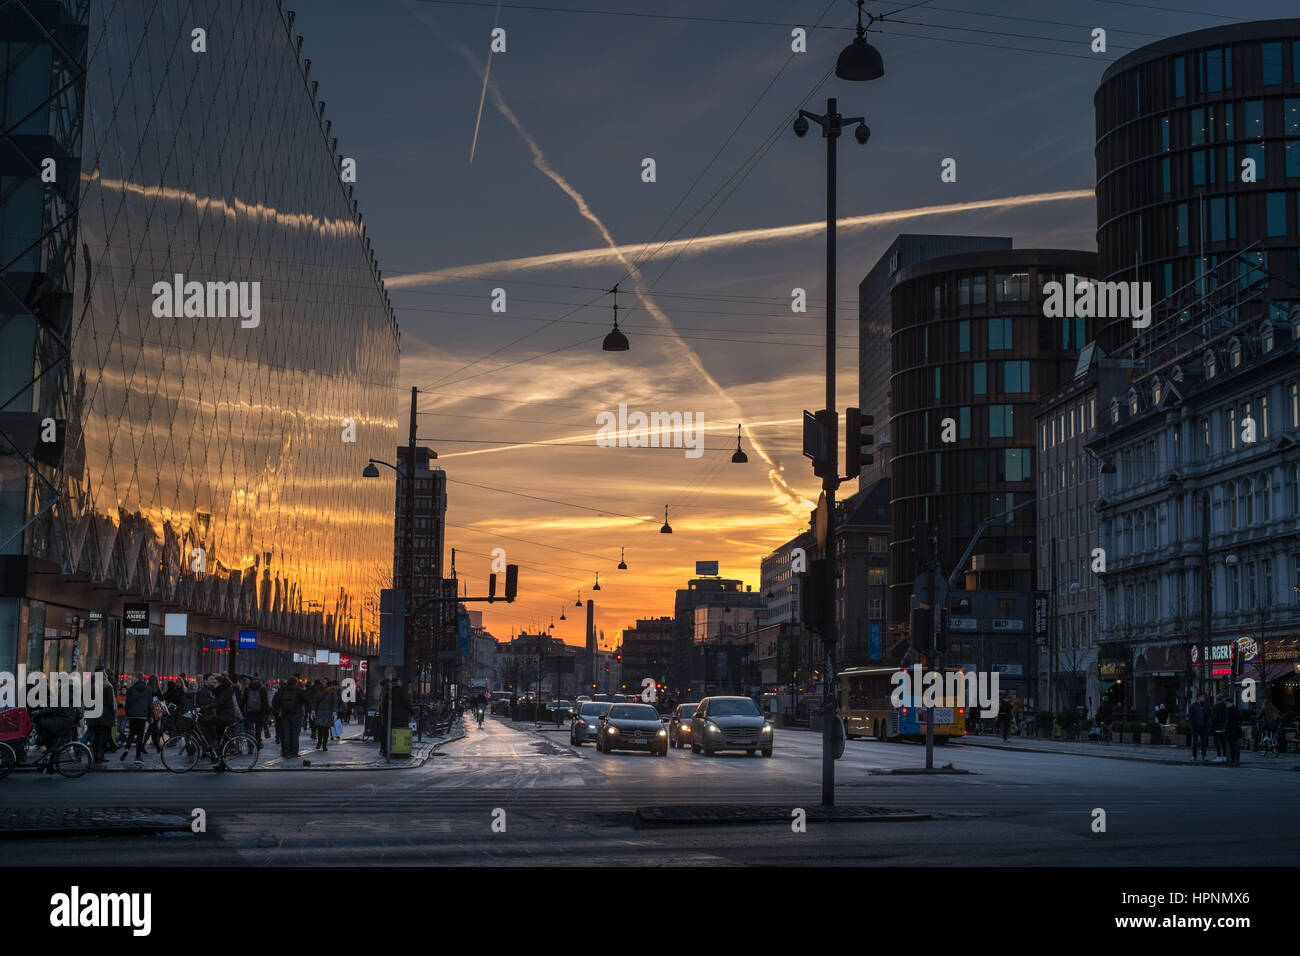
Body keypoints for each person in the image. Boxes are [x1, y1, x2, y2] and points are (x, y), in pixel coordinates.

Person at [88, 665, 117, 762]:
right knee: (103, 736)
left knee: (97, 736)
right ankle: (101, 755)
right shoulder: (107, 686)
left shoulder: (93, 686)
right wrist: (113, 713)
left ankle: (96, 755)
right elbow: (110, 703)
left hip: (95, 715)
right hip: (105, 716)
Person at [121, 673, 151, 764]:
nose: (132, 679)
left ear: (137, 678)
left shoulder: (131, 689)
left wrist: (128, 713)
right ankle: (138, 756)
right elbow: (149, 704)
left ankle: (127, 748)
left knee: (131, 733)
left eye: (133, 677)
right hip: (142, 716)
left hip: (133, 715)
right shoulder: (147, 690)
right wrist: (150, 716)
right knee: (140, 736)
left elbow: (128, 703)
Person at [273, 676, 307, 758]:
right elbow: (307, 699)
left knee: (286, 733)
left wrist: (278, 710)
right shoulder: (299, 690)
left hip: (285, 715)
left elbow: (275, 701)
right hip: (296, 715)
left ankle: (286, 752)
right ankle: (294, 752)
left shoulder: (282, 690)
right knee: (295, 734)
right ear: (296, 683)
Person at [380, 677, 412, 757]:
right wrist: (412, 712)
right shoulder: (401, 692)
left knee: (389, 734)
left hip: (389, 718)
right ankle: (399, 750)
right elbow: (406, 703)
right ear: (398, 683)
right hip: (401, 717)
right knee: (399, 733)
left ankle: (388, 750)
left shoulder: (389, 693)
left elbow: (384, 705)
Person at [242, 675, 268, 750]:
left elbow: (243, 701)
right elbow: (265, 702)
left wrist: (243, 711)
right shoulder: (262, 689)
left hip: (249, 712)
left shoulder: (247, 689)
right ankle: (258, 744)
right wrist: (266, 713)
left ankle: (250, 745)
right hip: (260, 714)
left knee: (250, 730)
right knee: (258, 730)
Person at [313, 681, 339, 751]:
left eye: (324, 683)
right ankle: (319, 742)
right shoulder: (318, 691)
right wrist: (313, 710)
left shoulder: (332, 692)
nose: (322, 684)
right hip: (320, 712)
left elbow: (335, 702)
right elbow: (314, 701)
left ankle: (324, 744)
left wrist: (335, 712)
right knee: (320, 729)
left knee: (326, 729)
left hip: (327, 712)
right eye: (322, 683)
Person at [1188, 692, 1209, 762]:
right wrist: (1193, 725)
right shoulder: (1192, 706)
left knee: (1204, 742)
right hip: (1196, 726)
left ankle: (1204, 755)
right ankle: (1194, 756)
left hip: (1203, 726)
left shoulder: (1204, 706)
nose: (1204, 699)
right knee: (1195, 742)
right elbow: (1191, 717)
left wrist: (1206, 724)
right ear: (1199, 697)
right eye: (1203, 697)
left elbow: (1207, 716)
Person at [1211, 694, 1228, 762]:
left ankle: (1219, 756)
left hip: (1217, 727)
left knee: (1217, 742)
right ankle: (1224, 756)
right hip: (1224, 727)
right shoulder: (1225, 707)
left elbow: (1214, 717)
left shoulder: (1216, 707)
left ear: (1217, 699)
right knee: (1223, 742)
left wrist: (1212, 725)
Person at [1225, 697, 1242, 766]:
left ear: (1231, 703)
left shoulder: (1232, 710)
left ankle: (1235, 759)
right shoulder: (1234, 710)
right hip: (1234, 730)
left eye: (1227, 703)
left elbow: (1231, 722)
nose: (1226, 705)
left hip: (1232, 730)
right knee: (1234, 745)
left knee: (1234, 745)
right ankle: (1235, 759)